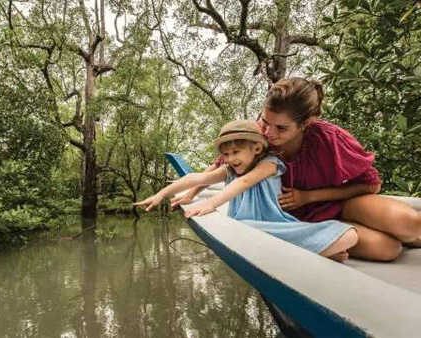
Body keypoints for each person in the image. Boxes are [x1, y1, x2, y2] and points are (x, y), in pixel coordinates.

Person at [174, 78, 421, 261]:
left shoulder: (328, 138)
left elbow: (371, 184)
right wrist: (190, 194)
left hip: (341, 204)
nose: (269, 133)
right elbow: (222, 165)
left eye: (281, 128)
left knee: (411, 223)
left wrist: (310, 196)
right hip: (295, 221)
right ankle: (340, 234)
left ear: (306, 123)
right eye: (265, 121)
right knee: (388, 250)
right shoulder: (257, 138)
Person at [134, 120, 358, 262]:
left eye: (236, 151)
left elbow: (244, 183)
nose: (231, 159)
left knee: (349, 235)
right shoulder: (230, 169)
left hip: (274, 226)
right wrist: (160, 194)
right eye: (227, 154)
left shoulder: (270, 164)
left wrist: (209, 204)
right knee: (243, 233)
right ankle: (319, 251)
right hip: (246, 228)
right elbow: (197, 177)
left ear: (257, 148)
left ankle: (316, 250)